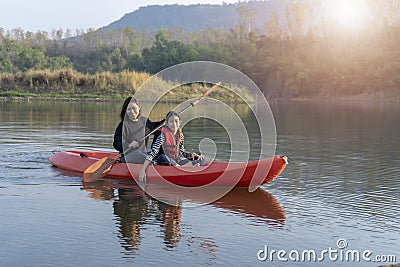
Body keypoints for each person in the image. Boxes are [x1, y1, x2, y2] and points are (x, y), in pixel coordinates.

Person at [139, 111, 205, 181]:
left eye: (176, 121)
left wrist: (191, 154)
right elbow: (152, 153)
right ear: (167, 123)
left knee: (202, 160)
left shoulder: (181, 136)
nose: (174, 124)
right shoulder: (163, 136)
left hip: (175, 160)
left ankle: (186, 165)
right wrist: (143, 170)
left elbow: (181, 151)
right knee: (164, 157)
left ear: (180, 123)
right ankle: (182, 167)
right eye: (171, 121)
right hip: (161, 160)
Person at [113, 97, 164, 164]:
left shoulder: (144, 122)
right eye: (129, 109)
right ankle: (152, 164)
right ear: (125, 111)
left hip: (144, 156)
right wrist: (128, 145)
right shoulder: (123, 125)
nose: (132, 112)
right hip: (127, 157)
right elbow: (116, 143)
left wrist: (169, 119)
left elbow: (156, 126)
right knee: (136, 153)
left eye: (134, 108)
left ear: (139, 108)